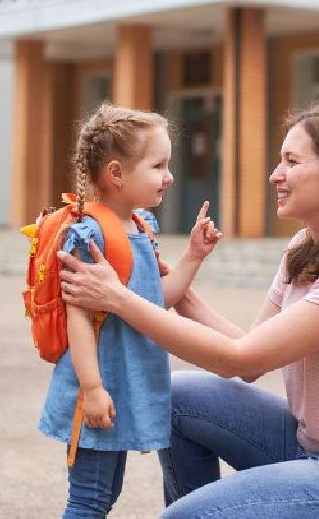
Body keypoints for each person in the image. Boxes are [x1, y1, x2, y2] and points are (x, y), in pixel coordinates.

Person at [57, 100, 319, 517]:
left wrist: (118, 299)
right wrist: (177, 289)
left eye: (291, 161)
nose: (276, 175)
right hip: (310, 447)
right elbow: (251, 355)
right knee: (175, 396)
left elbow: (238, 358)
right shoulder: (304, 249)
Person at [38, 103, 223, 518]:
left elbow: (156, 302)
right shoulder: (89, 235)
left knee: (102, 494)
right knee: (90, 499)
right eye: (158, 165)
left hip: (120, 385)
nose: (169, 176)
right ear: (117, 173)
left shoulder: (140, 227)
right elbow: (79, 319)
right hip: (100, 386)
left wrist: (193, 256)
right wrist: (92, 389)